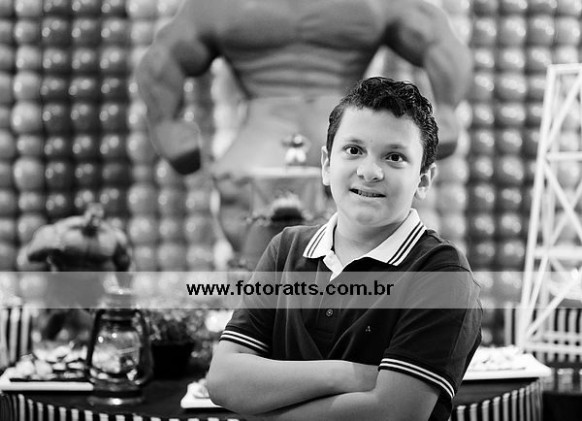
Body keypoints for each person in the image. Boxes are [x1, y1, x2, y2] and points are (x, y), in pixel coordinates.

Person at [206, 77, 482, 421]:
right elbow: (224, 380)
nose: (369, 172)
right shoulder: (286, 249)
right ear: (326, 164)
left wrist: (260, 410)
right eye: (354, 150)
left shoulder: (441, 273)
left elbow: (394, 414)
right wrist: (346, 374)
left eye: (394, 157)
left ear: (423, 180)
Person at [134, 0, 473, 254]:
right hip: (269, 129)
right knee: (244, 203)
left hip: (348, 130)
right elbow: (167, 56)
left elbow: (435, 38)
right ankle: (262, 314)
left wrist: (446, 108)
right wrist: (163, 124)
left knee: (367, 216)